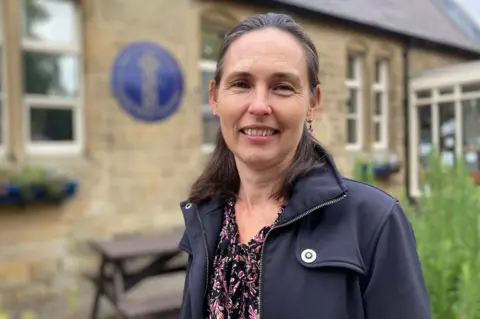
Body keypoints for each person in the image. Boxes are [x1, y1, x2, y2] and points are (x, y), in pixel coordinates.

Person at [178, 12, 431, 319]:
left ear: (313, 102)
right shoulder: (206, 217)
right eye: (241, 83)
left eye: (282, 87)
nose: (259, 106)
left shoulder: (373, 222)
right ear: (215, 98)